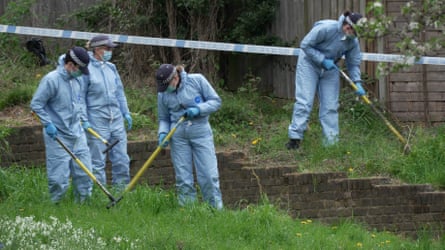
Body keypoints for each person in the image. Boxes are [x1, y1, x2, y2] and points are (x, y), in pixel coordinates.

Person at [286, 11, 366, 150]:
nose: (352, 34)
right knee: (305, 101)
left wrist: (357, 82)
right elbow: (305, 45)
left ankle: (331, 144)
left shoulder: (352, 41)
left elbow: (353, 63)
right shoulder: (326, 28)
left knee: (330, 106)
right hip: (309, 64)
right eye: (352, 30)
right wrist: (321, 60)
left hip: (331, 68)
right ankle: (295, 139)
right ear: (347, 25)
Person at [156, 64, 223, 209]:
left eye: (167, 86)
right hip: (178, 136)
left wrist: (198, 109)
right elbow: (163, 118)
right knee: (183, 178)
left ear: (175, 77)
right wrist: (162, 133)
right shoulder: (162, 94)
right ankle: (188, 213)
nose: (165, 90)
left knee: (209, 175)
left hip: (201, 133)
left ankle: (215, 211)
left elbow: (216, 102)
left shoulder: (197, 80)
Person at [30, 46, 93, 203]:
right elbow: (36, 105)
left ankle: (84, 206)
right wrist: (48, 123)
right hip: (58, 135)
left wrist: (83, 119)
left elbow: (80, 102)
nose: (81, 74)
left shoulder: (77, 80)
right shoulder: (51, 80)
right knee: (59, 177)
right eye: (80, 69)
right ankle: (57, 206)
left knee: (85, 173)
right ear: (71, 65)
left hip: (77, 134)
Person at [83, 35, 132, 189]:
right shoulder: (86, 70)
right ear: (97, 49)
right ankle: (99, 194)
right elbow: (80, 97)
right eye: (108, 48)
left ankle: (121, 193)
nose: (111, 51)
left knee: (122, 159)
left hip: (116, 120)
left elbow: (119, 93)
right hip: (97, 120)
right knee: (97, 161)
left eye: (111, 48)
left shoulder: (111, 68)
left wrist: (126, 112)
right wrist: (84, 119)